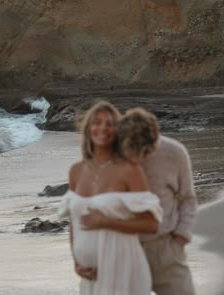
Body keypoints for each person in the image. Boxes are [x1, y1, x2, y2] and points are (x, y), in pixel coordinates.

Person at [80, 107, 197, 295]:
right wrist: (90, 256)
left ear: (156, 136)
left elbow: (187, 199)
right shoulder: (111, 154)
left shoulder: (175, 153)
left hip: (165, 248)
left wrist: (180, 238)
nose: (138, 159)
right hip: (122, 250)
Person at [58, 101, 163, 295]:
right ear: (89, 128)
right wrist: (76, 263)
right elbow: (75, 222)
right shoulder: (76, 171)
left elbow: (151, 224)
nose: (103, 128)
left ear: (118, 131)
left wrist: (105, 222)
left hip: (124, 268)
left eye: (110, 123)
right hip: (90, 276)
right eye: (97, 122)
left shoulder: (129, 170)